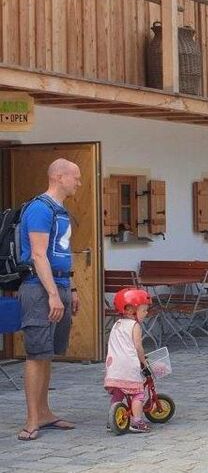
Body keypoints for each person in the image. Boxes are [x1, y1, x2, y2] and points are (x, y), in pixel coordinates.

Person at [17, 158, 82, 441]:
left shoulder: (61, 210)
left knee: (47, 352)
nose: (79, 183)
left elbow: (61, 253)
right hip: (39, 288)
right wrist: (54, 295)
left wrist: (72, 289)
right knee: (35, 352)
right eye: (75, 177)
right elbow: (38, 254)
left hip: (60, 284)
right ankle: (32, 419)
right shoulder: (40, 209)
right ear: (59, 176)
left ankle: (45, 412)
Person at [104, 288, 153, 433]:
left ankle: (111, 420)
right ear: (131, 309)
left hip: (113, 366)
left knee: (118, 393)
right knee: (138, 394)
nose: (146, 313)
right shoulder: (135, 326)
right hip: (129, 366)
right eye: (143, 310)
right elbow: (138, 347)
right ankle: (136, 422)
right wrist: (143, 362)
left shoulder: (117, 324)